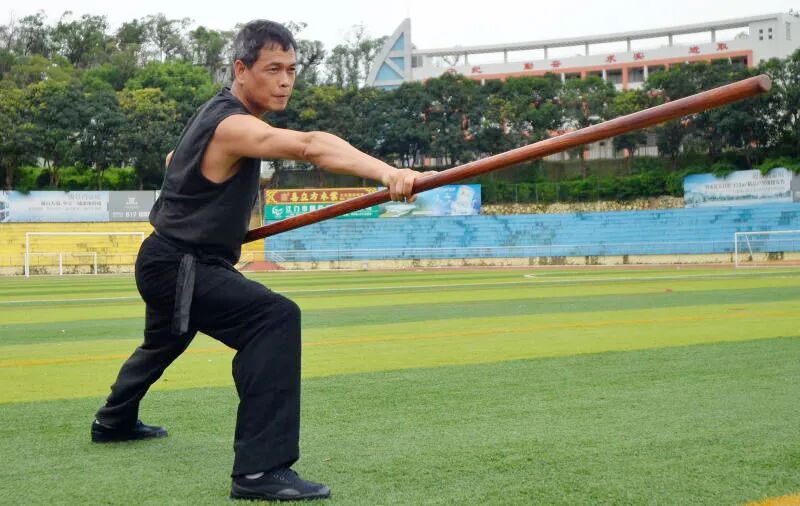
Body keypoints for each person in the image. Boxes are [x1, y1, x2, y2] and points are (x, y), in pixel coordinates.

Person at [91, 19, 430, 502]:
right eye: (273, 69)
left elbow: (172, 159)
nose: (285, 81)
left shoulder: (214, 116)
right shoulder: (233, 125)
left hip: (169, 257)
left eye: (291, 69)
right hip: (182, 263)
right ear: (241, 70)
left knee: (166, 338)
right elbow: (311, 145)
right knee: (273, 319)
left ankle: (113, 420)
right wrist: (388, 173)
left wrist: (207, 212)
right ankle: (259, 471)